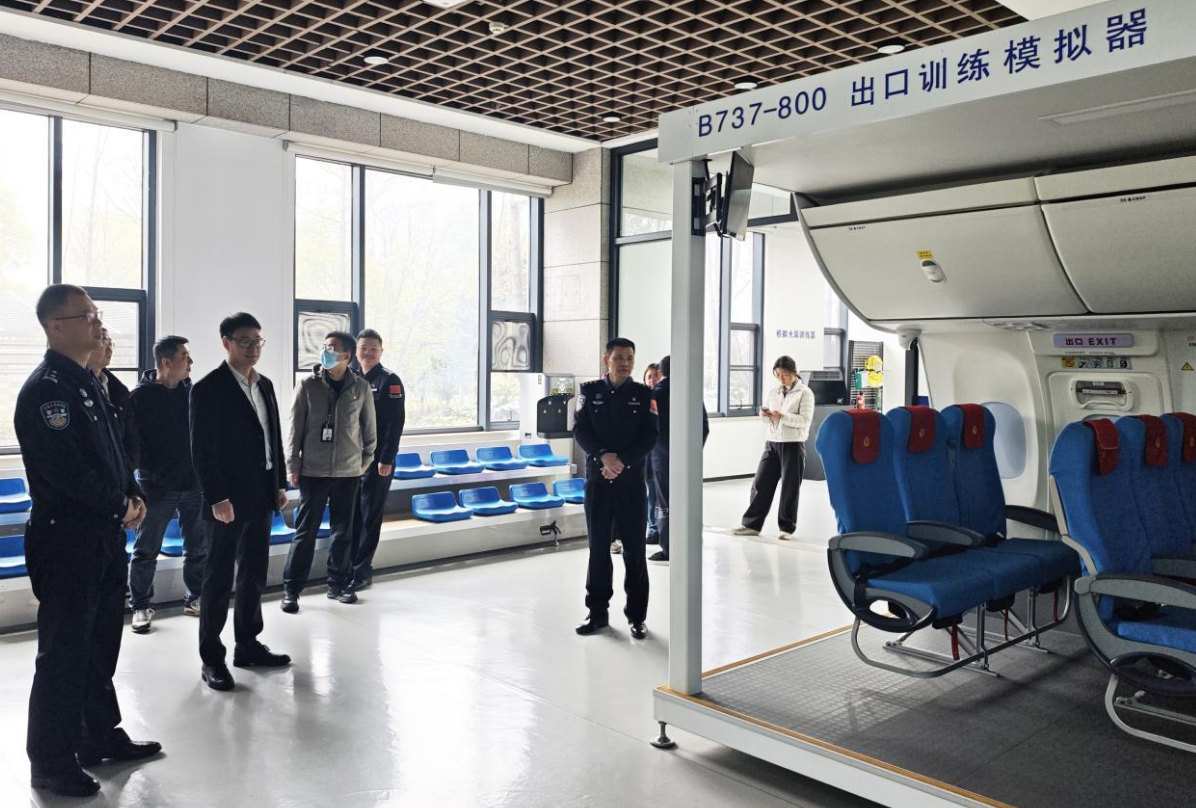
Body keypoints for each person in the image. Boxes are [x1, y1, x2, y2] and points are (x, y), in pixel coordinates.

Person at [15, 284, 160, 797]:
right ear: (56, 326)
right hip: (67, 539)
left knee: (99, 645)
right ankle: (51, 760)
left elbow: (116, 456)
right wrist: (119, 505)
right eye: (88, 316)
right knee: (65, 653)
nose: (99, 324)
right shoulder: (47, 391)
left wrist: (132, 495)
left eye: (97, 315)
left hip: (101, 534)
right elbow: (68, 472)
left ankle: (97, 734)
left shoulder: (89, 383)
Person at [190, 312, 290, 691]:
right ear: (226, 343)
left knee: (253, 573)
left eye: (257, 341)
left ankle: (247, 644)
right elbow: (202, 450)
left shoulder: (264, 385)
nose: (252, 348)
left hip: (261, 494)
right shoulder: (208, 388)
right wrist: (217, 497)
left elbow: (273, 437)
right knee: (218, 580)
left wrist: (279, 483)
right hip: (226, 501)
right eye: (244, 341)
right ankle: (211, 658)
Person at [282, 331, 377, 611]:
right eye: (325, 347)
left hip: (348, 473)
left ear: (346, 356)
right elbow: (294, 428)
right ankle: (292, 590)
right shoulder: (307, 385)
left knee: (343, 532)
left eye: (332, 348)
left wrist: (364, 462)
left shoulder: (361, 388)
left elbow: (369, 429)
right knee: (305, 533)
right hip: (313, 472)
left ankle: (338, 584)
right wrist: (293, 465)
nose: (326, 351)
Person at [573, 337, 658, 640]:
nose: (625, 363)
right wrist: (602, 456)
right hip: (599, 482)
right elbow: (580, 429)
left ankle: (637, 617)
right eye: (619, 357)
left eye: (629, 358)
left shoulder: (644, 394)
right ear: (606, 359)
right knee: (598, 550)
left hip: (631, 483)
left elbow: (650, 436)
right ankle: (597, 614)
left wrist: (621, 461)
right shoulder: (590, 392)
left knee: (635, 552)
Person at [125, 335, 208, 633]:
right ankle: (140, 606)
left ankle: (195, 598)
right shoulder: (139, 397)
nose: (191, 362)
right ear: (166, 362)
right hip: (156, 487)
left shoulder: (193, 393)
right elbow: (132, 445)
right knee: (146, 549)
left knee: (198, 547)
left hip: (193, 485)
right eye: (185, 356)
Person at [732, 356, 815, 541]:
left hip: (793, 444)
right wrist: (766, 416)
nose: (781, 378)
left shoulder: (805, 393)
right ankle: (751, 525)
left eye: (784, 374)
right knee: (760, 483)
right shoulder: (774, 392)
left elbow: (804, 421)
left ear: (794, 372)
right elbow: (768, 419)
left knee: (789, 488)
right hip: (772, 442)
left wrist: (782, 416)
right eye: (777, 374)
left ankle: (786, 528)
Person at [348, 328, 405, 590]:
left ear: (381, 351)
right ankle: (346, 567)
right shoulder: (349, 377)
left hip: (377, 460)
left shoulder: (389, 380)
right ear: (356, 351)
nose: (368, 353)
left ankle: (361, 571)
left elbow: (395, 423)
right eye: (364, 348)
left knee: (369, 516)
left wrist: (387, 458)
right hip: (350, 460)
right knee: (351, 516)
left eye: (373, 348)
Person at [647, 355, 709, 563]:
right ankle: (692, 542)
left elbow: (648, 428)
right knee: (689, 501)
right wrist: (693, 452)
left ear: (661, 372)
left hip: (662, 458)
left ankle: (669, 548)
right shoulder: (691, 391)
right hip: (688, 459)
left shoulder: (656, 394)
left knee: (664, 504)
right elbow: (704, 426)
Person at [87, 328, 131, 441]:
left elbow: (130, 436)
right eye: (103, 342)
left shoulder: (118, 389)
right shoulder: (76, 386)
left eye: (110, 343)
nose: (109, 349)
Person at [641, 362, 663, 548]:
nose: (653, 379)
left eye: (656, 375)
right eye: (649, 376)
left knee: (655, 494)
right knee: (645, 493)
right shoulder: (640, 397)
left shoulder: (665, 396)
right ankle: (650, 526)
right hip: (642, 455)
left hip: (659, 454)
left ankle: (654, 528)